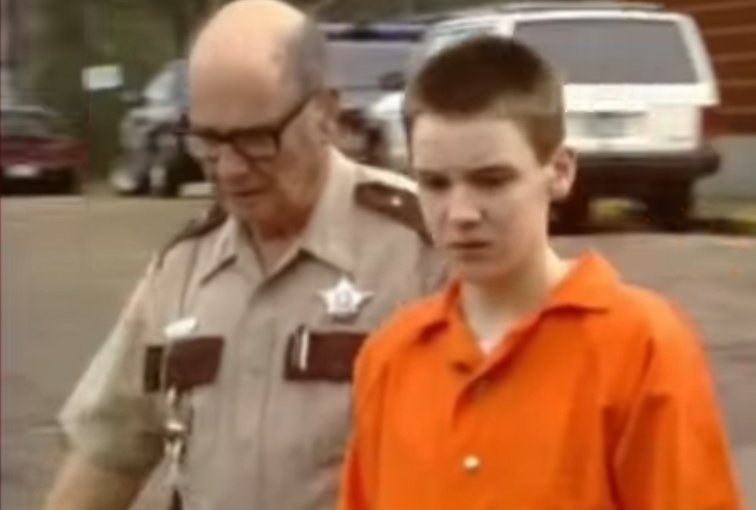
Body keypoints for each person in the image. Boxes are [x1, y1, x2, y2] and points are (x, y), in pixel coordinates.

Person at [42, 2, 443, 510]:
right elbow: (108, 451)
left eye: (256, 140)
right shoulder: (184, 268)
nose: (230, 169)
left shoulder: (423, 248)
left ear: (325, 114)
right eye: (208, 141)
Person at [339, 36, 743, 510]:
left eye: (492, 181)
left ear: (560, 171)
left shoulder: (641, 346)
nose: (461, 213)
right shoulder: (391, 356)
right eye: (435, 183)